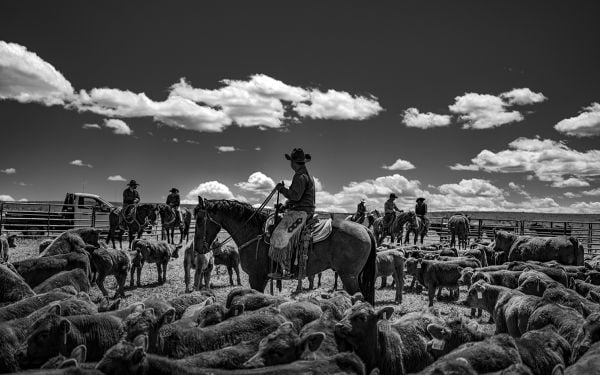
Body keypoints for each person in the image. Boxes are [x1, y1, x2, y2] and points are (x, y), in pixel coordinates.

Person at [270, 148, 316, 279]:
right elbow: (298, 198)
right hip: (302, 209)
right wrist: (286, 205)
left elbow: (295, 196)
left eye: (290, 161)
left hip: (301, 212)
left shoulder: (300, 176)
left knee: (280, 234)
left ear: (293, 163)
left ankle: (285, 269)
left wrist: (281, 189)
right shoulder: (305, 175)